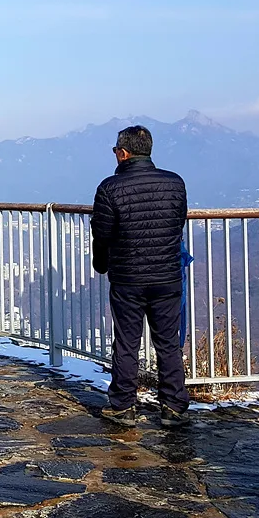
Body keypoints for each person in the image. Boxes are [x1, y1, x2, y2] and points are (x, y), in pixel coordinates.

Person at [90, 125, 190, 427]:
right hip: (167, 276)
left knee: (126, 343)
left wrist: (101, 264)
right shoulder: (175, 183)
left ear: (123, 153)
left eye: (115, 151)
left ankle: (123, 406)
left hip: (127, 278)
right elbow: (178, 223)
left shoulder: (110, 188)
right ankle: (174, 406)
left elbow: (102, 234)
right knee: (168, 342)